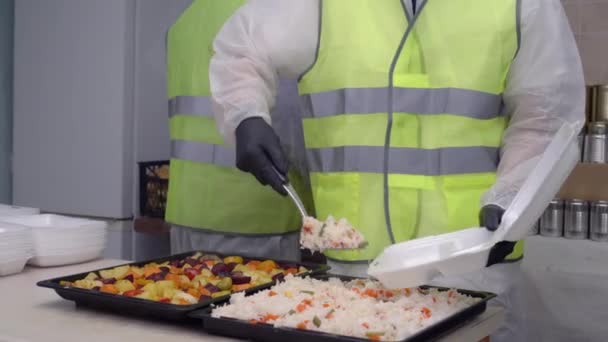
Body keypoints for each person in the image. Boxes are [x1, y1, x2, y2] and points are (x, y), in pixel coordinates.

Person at [209, 1, 585, 341]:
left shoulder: (520, 4)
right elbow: (243, 48)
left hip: (472, 269)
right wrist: (245, 114)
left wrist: (514, 196)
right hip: (355, 280)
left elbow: (545, 117)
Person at [165, 0, 313, 261]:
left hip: (187, 216)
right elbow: (294, 126)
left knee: (187, 294)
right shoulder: (277, 15)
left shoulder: (184, 21)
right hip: (261, 218)